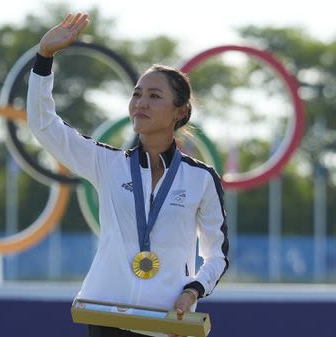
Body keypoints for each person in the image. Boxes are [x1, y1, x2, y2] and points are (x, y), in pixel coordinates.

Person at [26, 13, 229, 337]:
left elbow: (216, 255)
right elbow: (43, 125)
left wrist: (193, 291)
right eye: (137, 94)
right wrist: (44, 57)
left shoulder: (201, 179)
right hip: (104, 316)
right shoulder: (107, 163)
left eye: (154, 96)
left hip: (166, 323)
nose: (141, 103)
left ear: (180, 111)